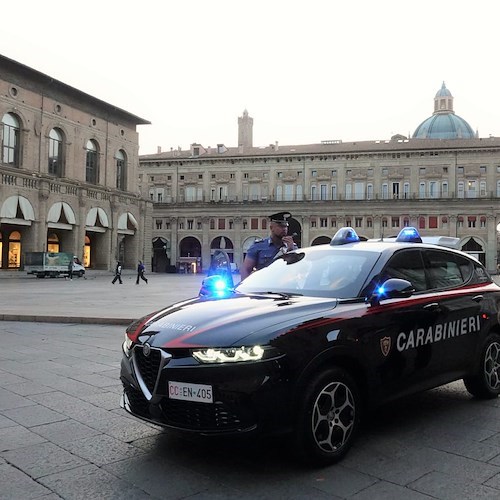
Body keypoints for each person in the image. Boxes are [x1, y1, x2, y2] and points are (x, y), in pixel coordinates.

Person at [240, 211, 298, 281]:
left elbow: (296, 270)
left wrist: (291, 250)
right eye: (280, 226)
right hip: (264, 286)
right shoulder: (258, 246)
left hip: (283, 287)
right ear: (271, 228)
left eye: (286, 226)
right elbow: (246, 269)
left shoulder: (293, 247)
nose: (284, 229)